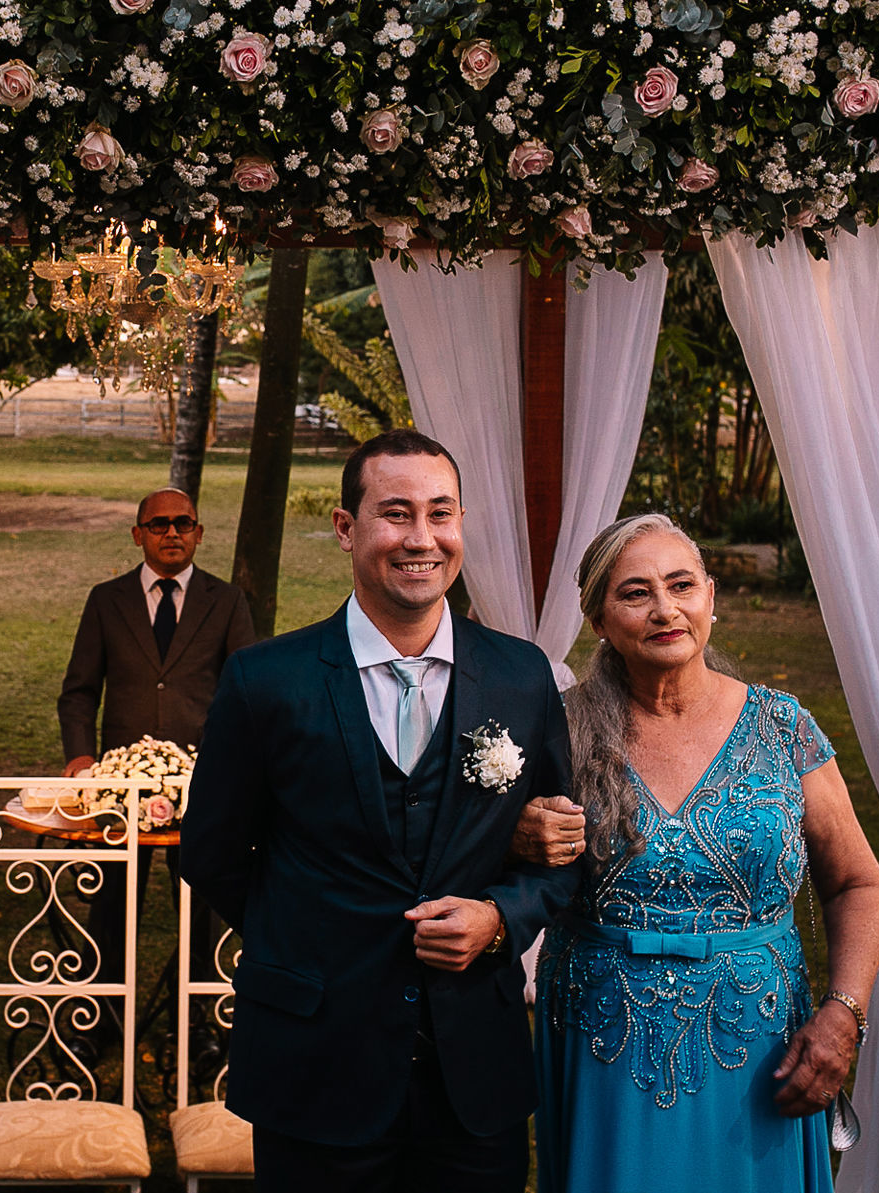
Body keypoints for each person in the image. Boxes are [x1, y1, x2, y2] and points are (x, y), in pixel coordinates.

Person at [182, 429, 580, 1193]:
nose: (421, 538)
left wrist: (499, 918)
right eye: (396, 513)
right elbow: (211, 853)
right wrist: (310, 935)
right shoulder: (266, 681)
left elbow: (561, 853)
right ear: (346, 527)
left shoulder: (521, 676)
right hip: (315, 1063)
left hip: (474, 1070)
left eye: (441, 512)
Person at [531, 513, 879, 1193]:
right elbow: (503, 863)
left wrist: (844, 1012)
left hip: (762, 1047)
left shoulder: (783, 726)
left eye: (681, 585)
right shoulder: (558, 730)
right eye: (635, 593)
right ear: (599, 618)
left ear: (710, 596)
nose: (665, 609)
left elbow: (856, 883)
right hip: (605, 1041)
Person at [56, 486, 255, 1057]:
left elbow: (248, 693)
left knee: (200, 906)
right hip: (119, 786)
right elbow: (79, 692)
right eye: (159, 524)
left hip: (201, 785)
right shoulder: (107, 600)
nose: (172, 533)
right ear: (138, 534)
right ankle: (98, 1023)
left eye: (183, 523)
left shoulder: (226, 601)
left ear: (198, 533)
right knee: (111, 906)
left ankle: (194, 1026)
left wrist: (230, 767)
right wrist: (82, 759)